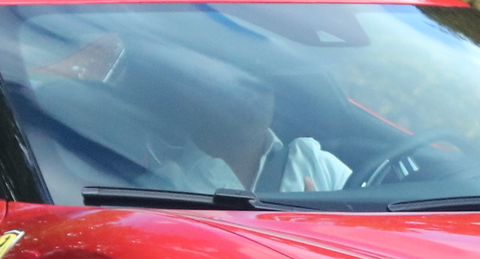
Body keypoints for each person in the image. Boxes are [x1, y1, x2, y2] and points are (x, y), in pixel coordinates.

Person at [140, 64, 350, 196]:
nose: (253, 101)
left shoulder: (314, 160)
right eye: (237, 89)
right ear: (197, 98)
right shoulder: (167, 185)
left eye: (262, 87)